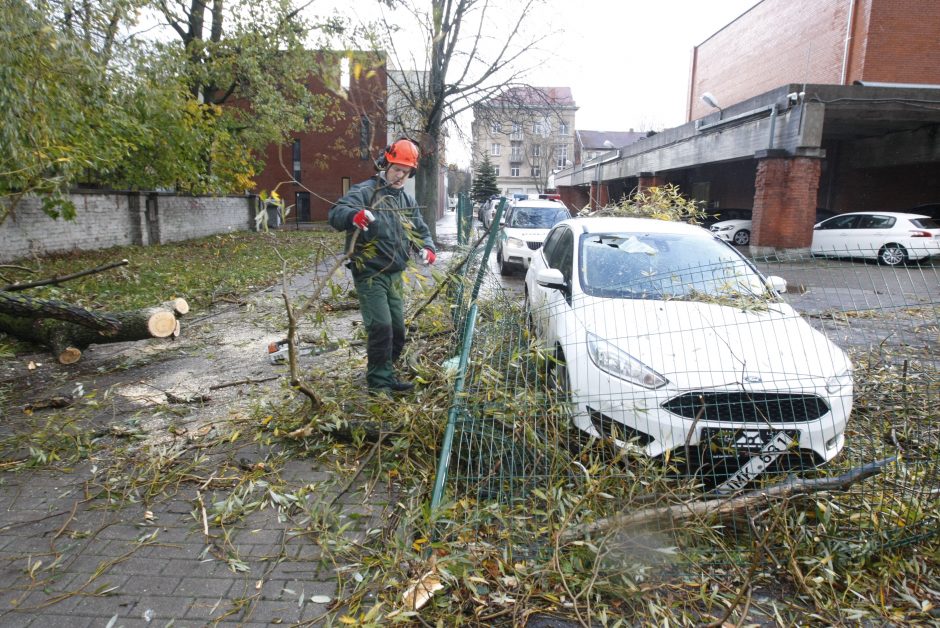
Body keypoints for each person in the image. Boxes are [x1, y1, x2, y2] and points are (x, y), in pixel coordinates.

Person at [328, 138, 437, 395]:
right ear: (386, 164)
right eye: (397, 169)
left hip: (395, 273)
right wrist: (353, 217)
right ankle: (378, 384)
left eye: (406, 171)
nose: (401, 176)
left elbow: (420, 230)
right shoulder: (366, 191)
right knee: (381, 327)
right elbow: (336, 213)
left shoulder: (406, 201)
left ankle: (387, 373)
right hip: (370, 273)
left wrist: (429, 248)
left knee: (398, 330)